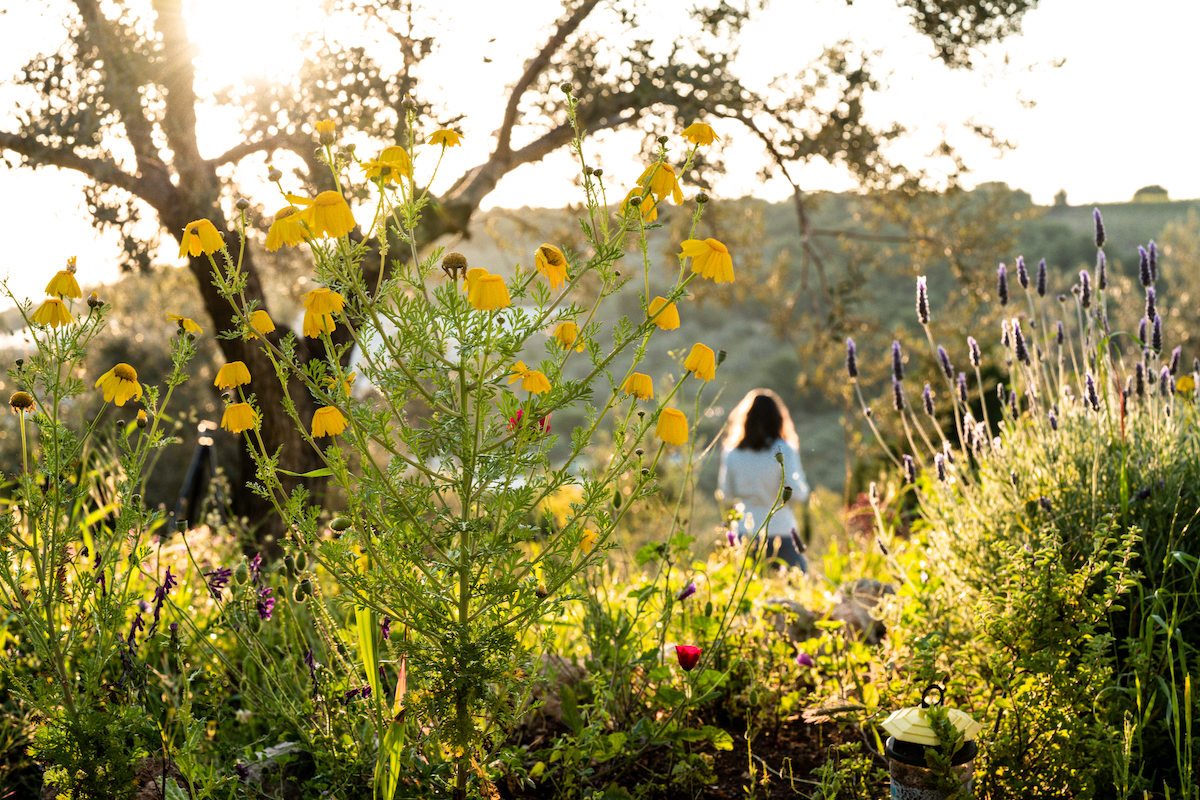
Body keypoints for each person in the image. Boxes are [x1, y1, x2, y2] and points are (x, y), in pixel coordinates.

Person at [718, 389, 810, 570]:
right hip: (782, 529)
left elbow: (725, 494)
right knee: (799, 581)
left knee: (748, 584)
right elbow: (798, 494)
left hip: (746, 532)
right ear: (778, 419)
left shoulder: (732, 453)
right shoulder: (785, 449)